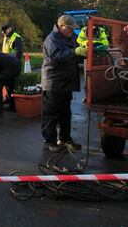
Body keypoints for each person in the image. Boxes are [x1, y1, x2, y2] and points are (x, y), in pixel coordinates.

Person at [41, 15, 82, 152]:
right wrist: (74, 51)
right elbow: (56, 57)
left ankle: (65, 139)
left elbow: (75, 50)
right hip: (53, 82)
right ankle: (49, 141)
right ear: (61, 26)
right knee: (51, 113)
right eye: (70, 29)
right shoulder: (52, 39)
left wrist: (83, 50)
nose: (72, 32)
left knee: (65, 113)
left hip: (65, 83)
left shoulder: (68, 37)